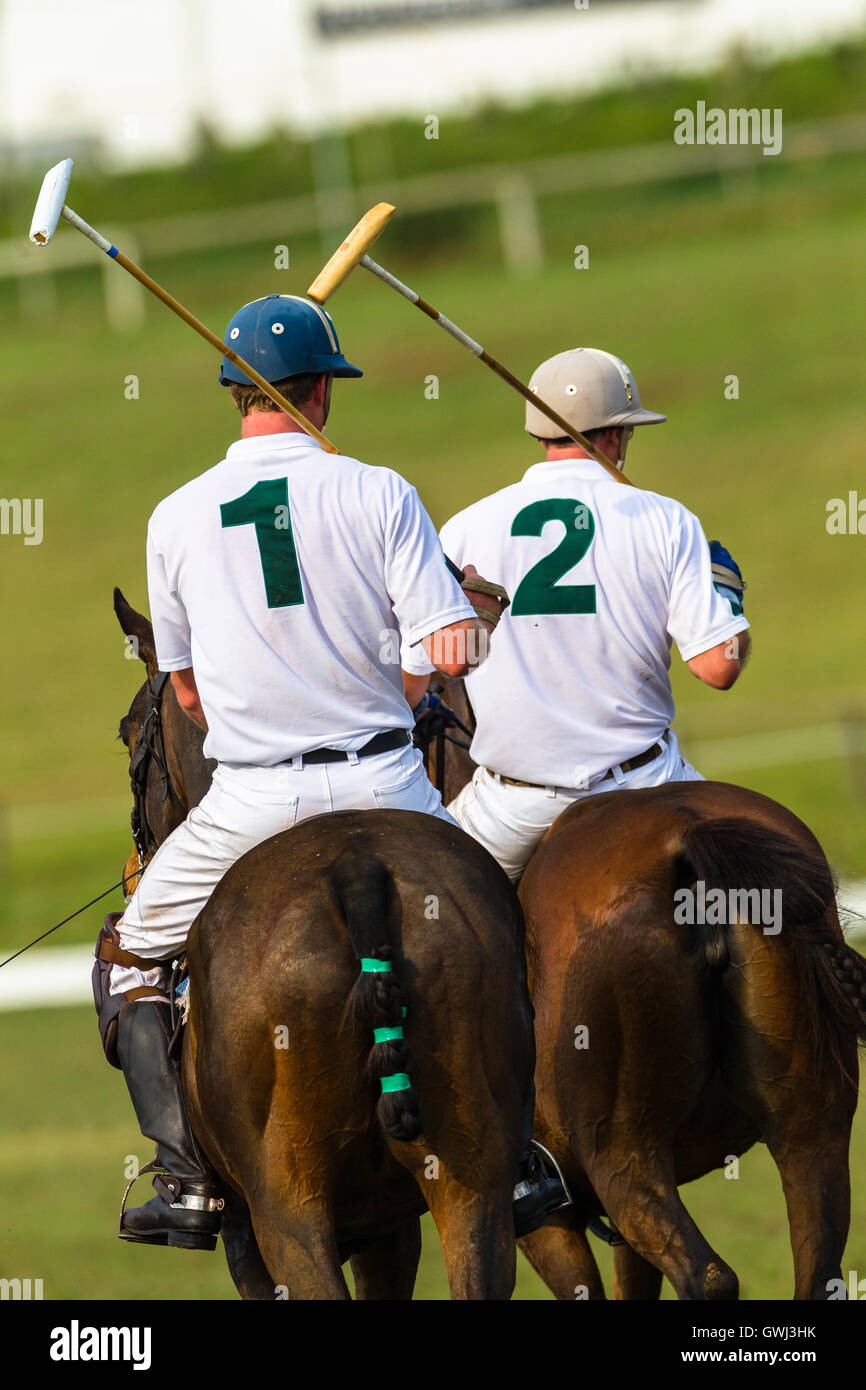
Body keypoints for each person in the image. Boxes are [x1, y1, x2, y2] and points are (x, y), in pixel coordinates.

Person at [91, 294, 562, 1251]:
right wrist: (467, 617)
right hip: (390, 786)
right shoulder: (378, 490)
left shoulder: (174, 516)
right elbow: (451, 651)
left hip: (253, 801)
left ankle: (186, 1177)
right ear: (320, 394)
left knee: (130, 958)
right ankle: (515, 1156)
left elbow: (183, 696)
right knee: (508, 928)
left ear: (237, 393)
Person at [402, 346, 750, 883]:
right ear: (611, 434)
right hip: (647, 784)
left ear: (541, 433)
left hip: (514, 806)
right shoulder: (666, 519)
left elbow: (413, 683)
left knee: (429, 923)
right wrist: (727, 599)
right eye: (628, 432)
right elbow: (718, 669)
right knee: (771, 889)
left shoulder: (465, 528)